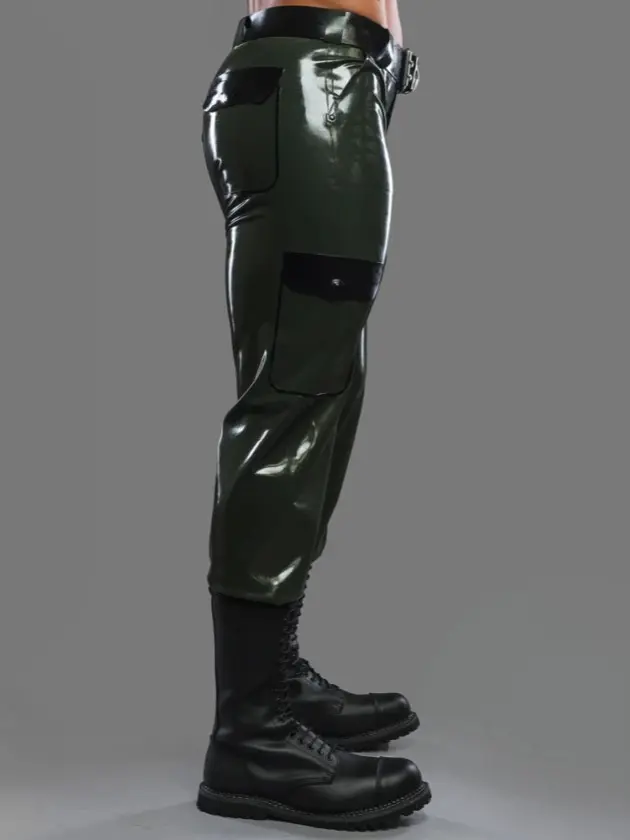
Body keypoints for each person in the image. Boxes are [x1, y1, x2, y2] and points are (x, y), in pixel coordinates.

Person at [197, 0, 428, 830]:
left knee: (327, 382)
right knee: (294, 396)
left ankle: (275, 680)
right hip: (314, 81)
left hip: (330, 81)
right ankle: (253, 736)